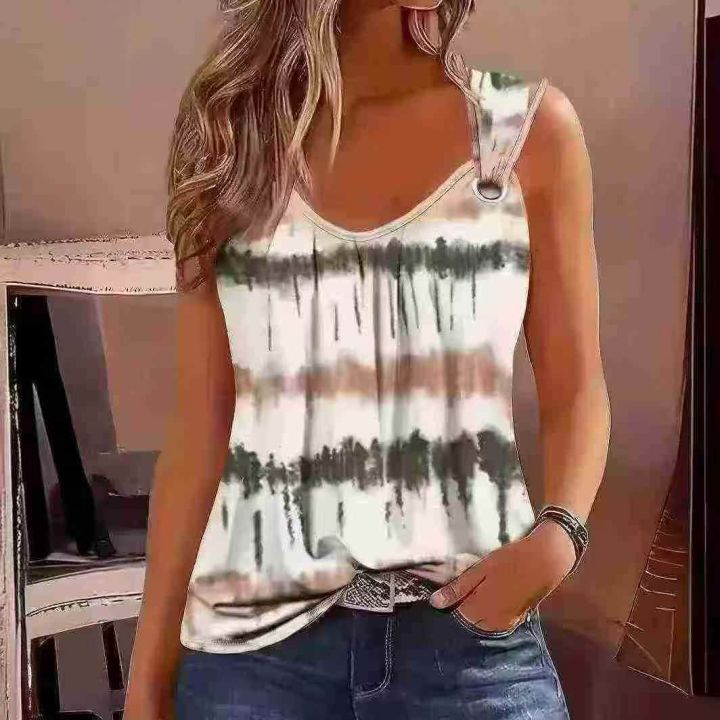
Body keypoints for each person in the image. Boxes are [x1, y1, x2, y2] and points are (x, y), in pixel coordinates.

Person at [124, 1, 610, 718]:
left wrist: (559, 538)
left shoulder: (524, 133)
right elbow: (202, 429)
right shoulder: (232, 135)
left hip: (469, 648)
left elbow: (576, 387)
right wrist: (147, 682)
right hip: (254, 667)